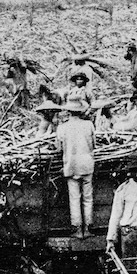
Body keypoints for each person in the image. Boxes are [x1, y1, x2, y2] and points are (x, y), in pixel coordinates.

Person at [56, 101, 95, 239]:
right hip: (87, 164)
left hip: (71, 165)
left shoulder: (62, 127)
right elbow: (93, 144)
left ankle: (78, 230)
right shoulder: (88, 125)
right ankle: (88, 228)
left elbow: (59, 149)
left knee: (74, 198)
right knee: (88, 198)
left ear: (68, 111)